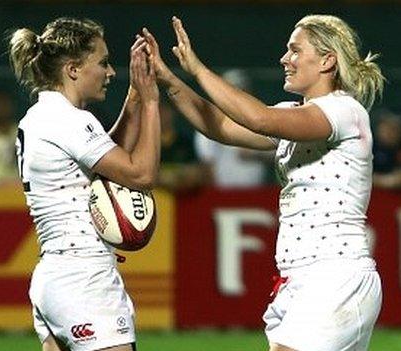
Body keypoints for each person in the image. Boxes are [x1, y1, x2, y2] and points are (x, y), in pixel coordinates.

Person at [142, 14, 383, 351]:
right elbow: (222, 127)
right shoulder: (297, 114)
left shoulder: (343, 111)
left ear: (328, 60)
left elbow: (258, 117)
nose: (285, 59)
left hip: (333, 276)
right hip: (301, 278)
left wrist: (198, 69)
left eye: (296, 51)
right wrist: (169, 80)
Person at [8, 17, 160, 351]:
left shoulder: (39, 117)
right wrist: (151, 102)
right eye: (103, 63)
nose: (110, 73)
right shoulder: (68, 120)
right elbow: (141, 174)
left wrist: (134, 97)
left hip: (55, 275)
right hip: (83, 278)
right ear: (74, 69)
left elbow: (107, 161)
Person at [194, 68, 274, 188]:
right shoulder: (210, 122)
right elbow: (207, 165)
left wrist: (256, 154)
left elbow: (280, 153)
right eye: (232, 90)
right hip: (224, 195)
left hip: (259, 194)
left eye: (241, 89)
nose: (236, 95)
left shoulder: (262, 119)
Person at [157, 101, 209, 192]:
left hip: (186, 198)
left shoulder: (185, 142)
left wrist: (175, 178)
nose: (162, 115)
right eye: (159, 111)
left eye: (165, 111)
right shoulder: (149, 144)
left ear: (172, 113)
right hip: (157, 197)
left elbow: (197, 173)